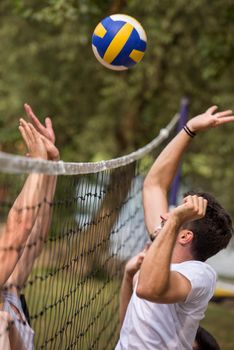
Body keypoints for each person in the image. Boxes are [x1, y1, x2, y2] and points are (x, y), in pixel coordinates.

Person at [115, 106, 234, 350]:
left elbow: (149, 288)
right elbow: (154, 185)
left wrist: (176, 220)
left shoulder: (200, 275)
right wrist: (189, 129)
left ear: (185, 236)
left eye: (176, 213)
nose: (168, 214)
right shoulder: (165, 243)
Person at [0, 104, 59, 350]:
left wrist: (49, 165)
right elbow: (20, 226)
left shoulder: (8, 287)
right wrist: (37, 164)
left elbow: (33, 237)